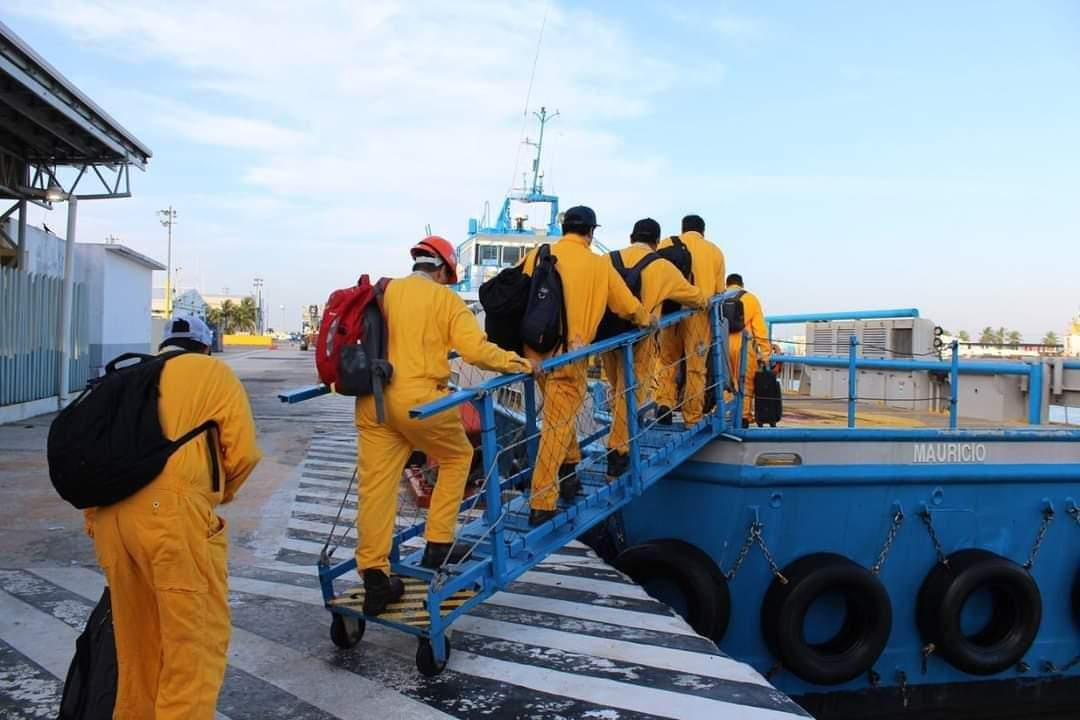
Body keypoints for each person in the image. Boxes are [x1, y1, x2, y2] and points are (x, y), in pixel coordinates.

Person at [85, 314, 262, 719]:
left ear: (165, 344)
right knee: (193, 648)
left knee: (138, 652)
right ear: (204, 346)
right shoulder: (212, 373)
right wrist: (215, 496)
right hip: (172, 517)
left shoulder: (130, 377)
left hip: (108, 518)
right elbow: (244, 452)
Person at [355, 236, 533, 614]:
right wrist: (520, 364)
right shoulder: (445, 300)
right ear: (441, 270)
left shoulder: (384, 291)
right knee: (457, 457)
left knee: (376, 490)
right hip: (421, 403)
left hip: (374, 399)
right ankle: (437, 546)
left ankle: (374, 577)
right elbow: (476, 352)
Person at [520, 206, 650, 526]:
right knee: (556, 426)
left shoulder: (539, 253)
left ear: (564, 227)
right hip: (570, 356)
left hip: (534, 352)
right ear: (591, 232)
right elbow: (625, 305)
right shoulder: (597, 264)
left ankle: (569, 472)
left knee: (558, 419)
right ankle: (542, 501)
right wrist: (647, 320)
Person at [601, 218, 706, 478]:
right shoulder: (662, 267)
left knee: (617, 391)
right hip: (639, 339)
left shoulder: (606, 261)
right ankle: (618, 452)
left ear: (630, 237)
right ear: (656, 242)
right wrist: (706, 301)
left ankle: (618, 439)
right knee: (631, 393)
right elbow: (695, 297)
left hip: (606, 338)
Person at [655, 214, 726, 425]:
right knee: (696, 367)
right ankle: (692, 416)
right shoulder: (714, 251)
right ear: (703, 231)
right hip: (699, 315)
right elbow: (719, 292)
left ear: (682, 229)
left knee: (667, 361)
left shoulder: (667, 243)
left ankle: (665, 403)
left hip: (671, 312)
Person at [725, 273, 771, 427]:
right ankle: (743, 416)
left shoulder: (719, 298)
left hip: (722, 344)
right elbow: (760, 329)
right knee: (745, 382)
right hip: (743, 345)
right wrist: (765, 353)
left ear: (727, 284)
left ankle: (724, 412)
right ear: (742, 284)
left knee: (724, 380)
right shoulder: (751, 299)